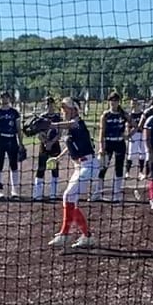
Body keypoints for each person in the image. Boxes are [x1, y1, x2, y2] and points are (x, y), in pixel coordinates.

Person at [49, 99, 99, 249]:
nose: (63, 110)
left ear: (75, 110)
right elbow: (69, 145)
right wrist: (58, 158)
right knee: (71, 200)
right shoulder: (70, 127)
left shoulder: (78, 123)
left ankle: (64, 234)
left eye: (66, 108)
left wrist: (51, 125)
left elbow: (70, 124)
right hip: (79, 166)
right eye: (63, 108)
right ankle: (87, 236)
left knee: (68, 196)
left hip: (88, 165)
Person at [23, 96, 64, 199]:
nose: (49, 106)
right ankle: (38, 194)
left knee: (54, 168)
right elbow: (38, 133)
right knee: (41, 168)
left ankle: (53, 193)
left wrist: (51, 142)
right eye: (47, 104)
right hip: (44, 146)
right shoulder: (42, 117)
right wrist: (45, 142)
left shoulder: (58, 117)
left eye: (50, 104)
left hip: (55, 145)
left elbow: (59, 133)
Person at [0, 91, 23, 199]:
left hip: (12, 139)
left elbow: (18, 129)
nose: (4, 99)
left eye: (6, 97)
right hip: (0, 140)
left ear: (9, 98)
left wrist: (21, 143)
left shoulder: (14, 112)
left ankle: (14, 190)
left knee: (14, 165)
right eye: (2, 97)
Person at [95, 92, 130, 202]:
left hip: (120, 144)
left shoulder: (123, 114)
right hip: (108, 144)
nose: (113, 102)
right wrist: (101, 147)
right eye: (111, 100)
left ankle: (117, 194)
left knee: (119, 168)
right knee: (103, 168)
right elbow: (102, 132)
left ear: (119, 102)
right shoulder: (105, 115)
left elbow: (135, 125)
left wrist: (128, 134)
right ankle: (98, 192)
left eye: (115, 100)